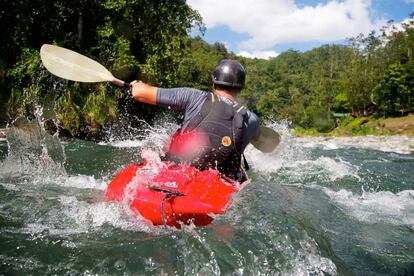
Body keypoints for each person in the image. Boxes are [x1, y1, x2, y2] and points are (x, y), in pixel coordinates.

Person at [130, 59, 260, 181]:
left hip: (180, 172)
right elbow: (269, 145)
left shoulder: (193, 97)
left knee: (171, 141)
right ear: (240, 88)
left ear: (213, 83)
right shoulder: (251, 119)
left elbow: (139, 93)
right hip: (218, 183)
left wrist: (136, 84)